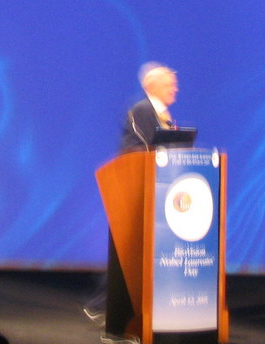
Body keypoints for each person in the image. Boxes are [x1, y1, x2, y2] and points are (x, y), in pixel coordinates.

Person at [84, 62, 182, 343]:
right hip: (135, 186)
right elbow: (136, 147)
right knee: (129, 251)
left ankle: (112, 307)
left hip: (158, 190)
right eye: (169, 83)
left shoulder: (164, 114)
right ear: (152, 85)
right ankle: (104, 307)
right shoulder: (141, 110)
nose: (174, 88)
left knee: (138, 253)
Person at [120, 62, 179, 152]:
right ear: (152, 87)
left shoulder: (162, 114)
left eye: (174, 85)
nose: (174, 90)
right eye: (168, 86)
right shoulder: (142, 110)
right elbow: (138, 148)